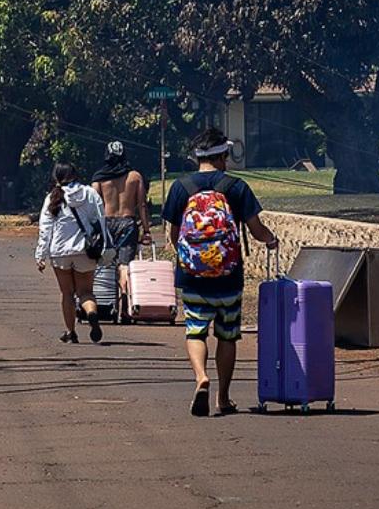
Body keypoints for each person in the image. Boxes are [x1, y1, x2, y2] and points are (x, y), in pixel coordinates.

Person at [163, 126, 279, 417]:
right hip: (229, 276)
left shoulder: (181, 187)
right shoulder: (235, 187)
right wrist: (272, 240)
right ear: (223, 156)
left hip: (192, 276)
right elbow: (255, 230)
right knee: (227, 335)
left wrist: (189, 257)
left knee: (195, 331)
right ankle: (223, 398)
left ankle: (201, 376)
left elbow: (174, 233)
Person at [34, 162, 108, 343]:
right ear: (75, 174)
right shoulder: (90, 193)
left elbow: (45, 228)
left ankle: (70, 331)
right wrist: (104, 245)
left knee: (67, 294)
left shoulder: (52, 197)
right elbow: (100, 220)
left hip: (60, 252)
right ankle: (91, 313)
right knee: (86, 292)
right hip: (85, 250)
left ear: (56, 177)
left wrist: (40, 255)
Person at [91, 141, 150, 322]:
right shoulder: (135, 177)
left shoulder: (99, 178)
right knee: (125, 266)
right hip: (127, 223)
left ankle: (105, 304)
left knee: (105, 265)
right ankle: (125, 306)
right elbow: (141, 204)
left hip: (106, 224)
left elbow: (94, 206)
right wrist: (146, 230)